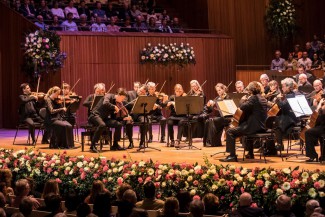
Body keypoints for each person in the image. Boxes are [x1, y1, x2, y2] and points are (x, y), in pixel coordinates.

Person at [220, 81, 267, 162]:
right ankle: (250, 153)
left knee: (230, 131)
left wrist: (242, 100)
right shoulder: (262, 98)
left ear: (251, 90)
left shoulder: (253, 98)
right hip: (262, 126)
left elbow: (242, 107)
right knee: (244, 128)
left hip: (254, 126)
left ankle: (232, 155)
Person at [88, 88, 126, 152]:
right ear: (118, 95)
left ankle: (115, 145)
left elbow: (113, 118)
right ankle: (92, 146)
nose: (123, 100)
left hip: (104, 118)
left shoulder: (115, 103)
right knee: (102, 125)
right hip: (95, 115)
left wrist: (123, 118)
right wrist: (114, 107)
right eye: (122, 98)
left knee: (118, 124)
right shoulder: (109, 95)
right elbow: (105, 103)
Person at [274, 78, 300, 152]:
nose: (282, 88)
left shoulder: (291, 95)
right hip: (288, 117)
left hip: (290, 119)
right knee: (275, 121)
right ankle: (278, 144)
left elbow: (282, 106)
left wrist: (277, 99)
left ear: (288, 87)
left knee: (276, 125)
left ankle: (279, 145)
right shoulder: (289, 94)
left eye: (283, 86)